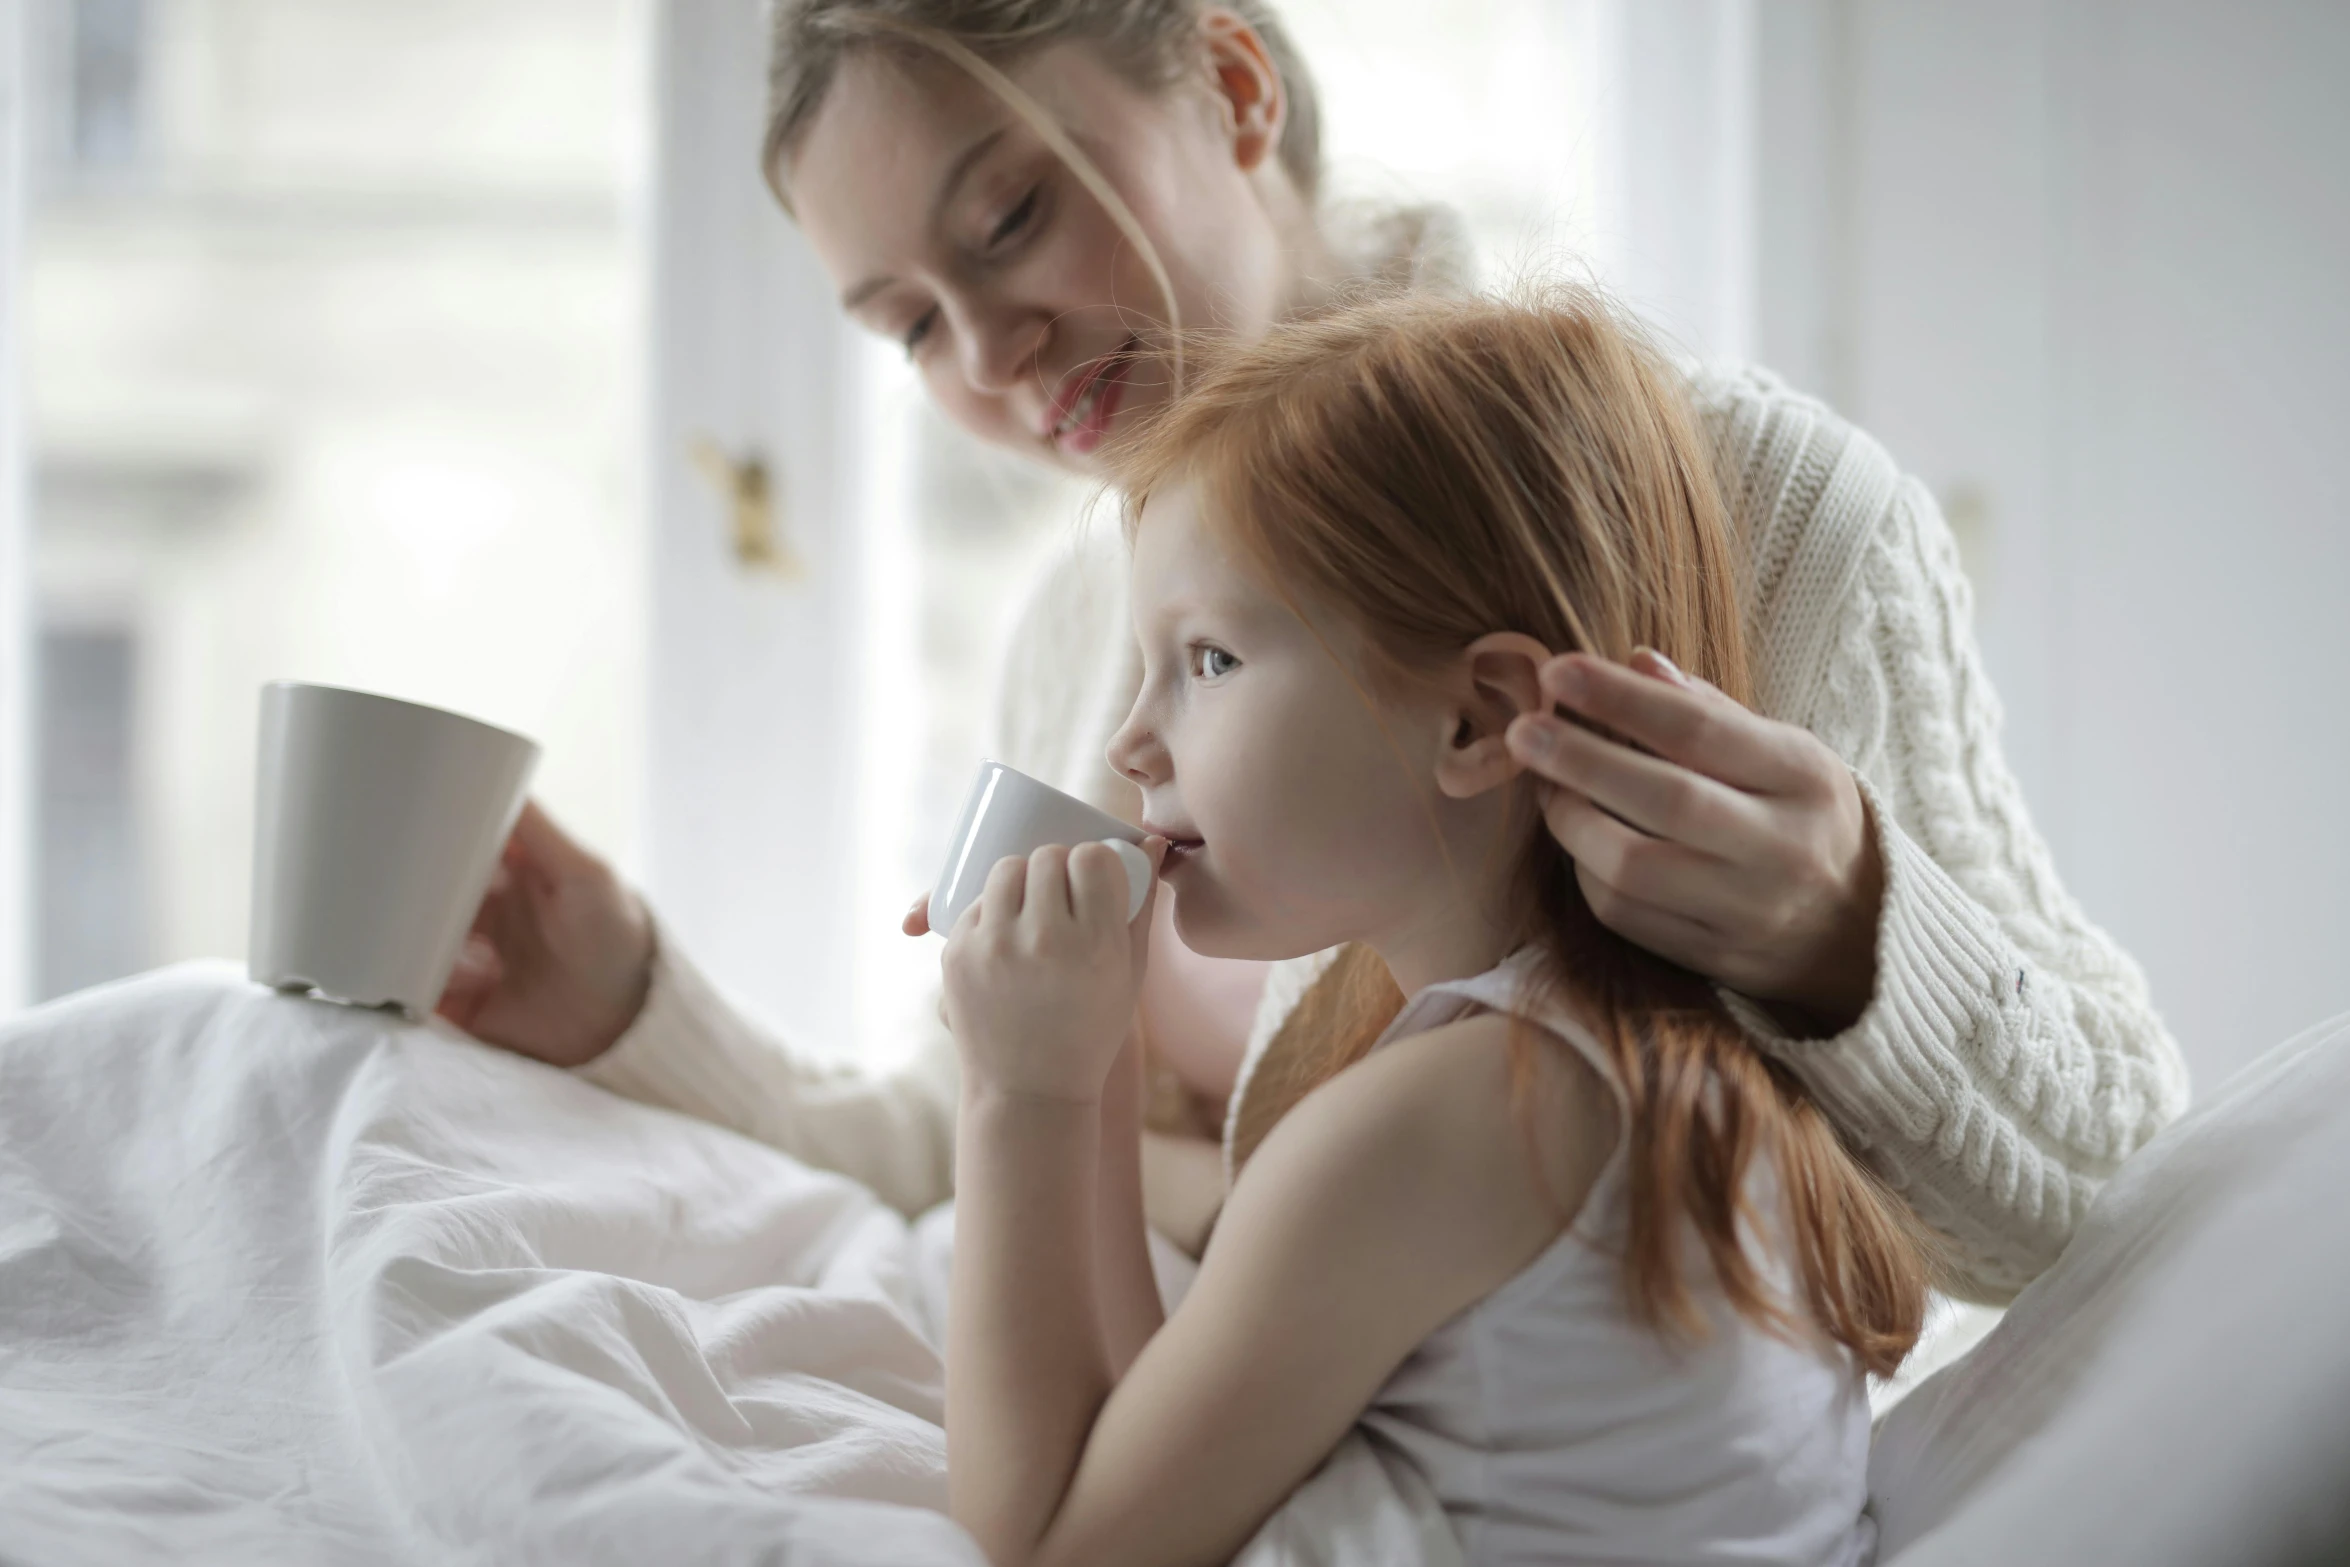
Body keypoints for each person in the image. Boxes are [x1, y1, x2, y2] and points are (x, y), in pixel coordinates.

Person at [436, 0, 2186, 1302]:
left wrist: (1848, 934)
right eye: (907, 325)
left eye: (1009, 219)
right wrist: (629, 1005)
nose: (986, 350)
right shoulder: (1076, 637)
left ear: (1234, 84)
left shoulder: (1759, 505)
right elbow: (954, 1135)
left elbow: (2119, 1205)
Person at [941, 287, 1928, 1567]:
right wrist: (1098, 1051)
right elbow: (1170, 1449)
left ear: (1474, 720)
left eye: (1209, 660)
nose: (1131, 742)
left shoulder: (1438, 1121)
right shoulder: (1644, 1057)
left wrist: (1014, 1093)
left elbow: (1044, 1549)